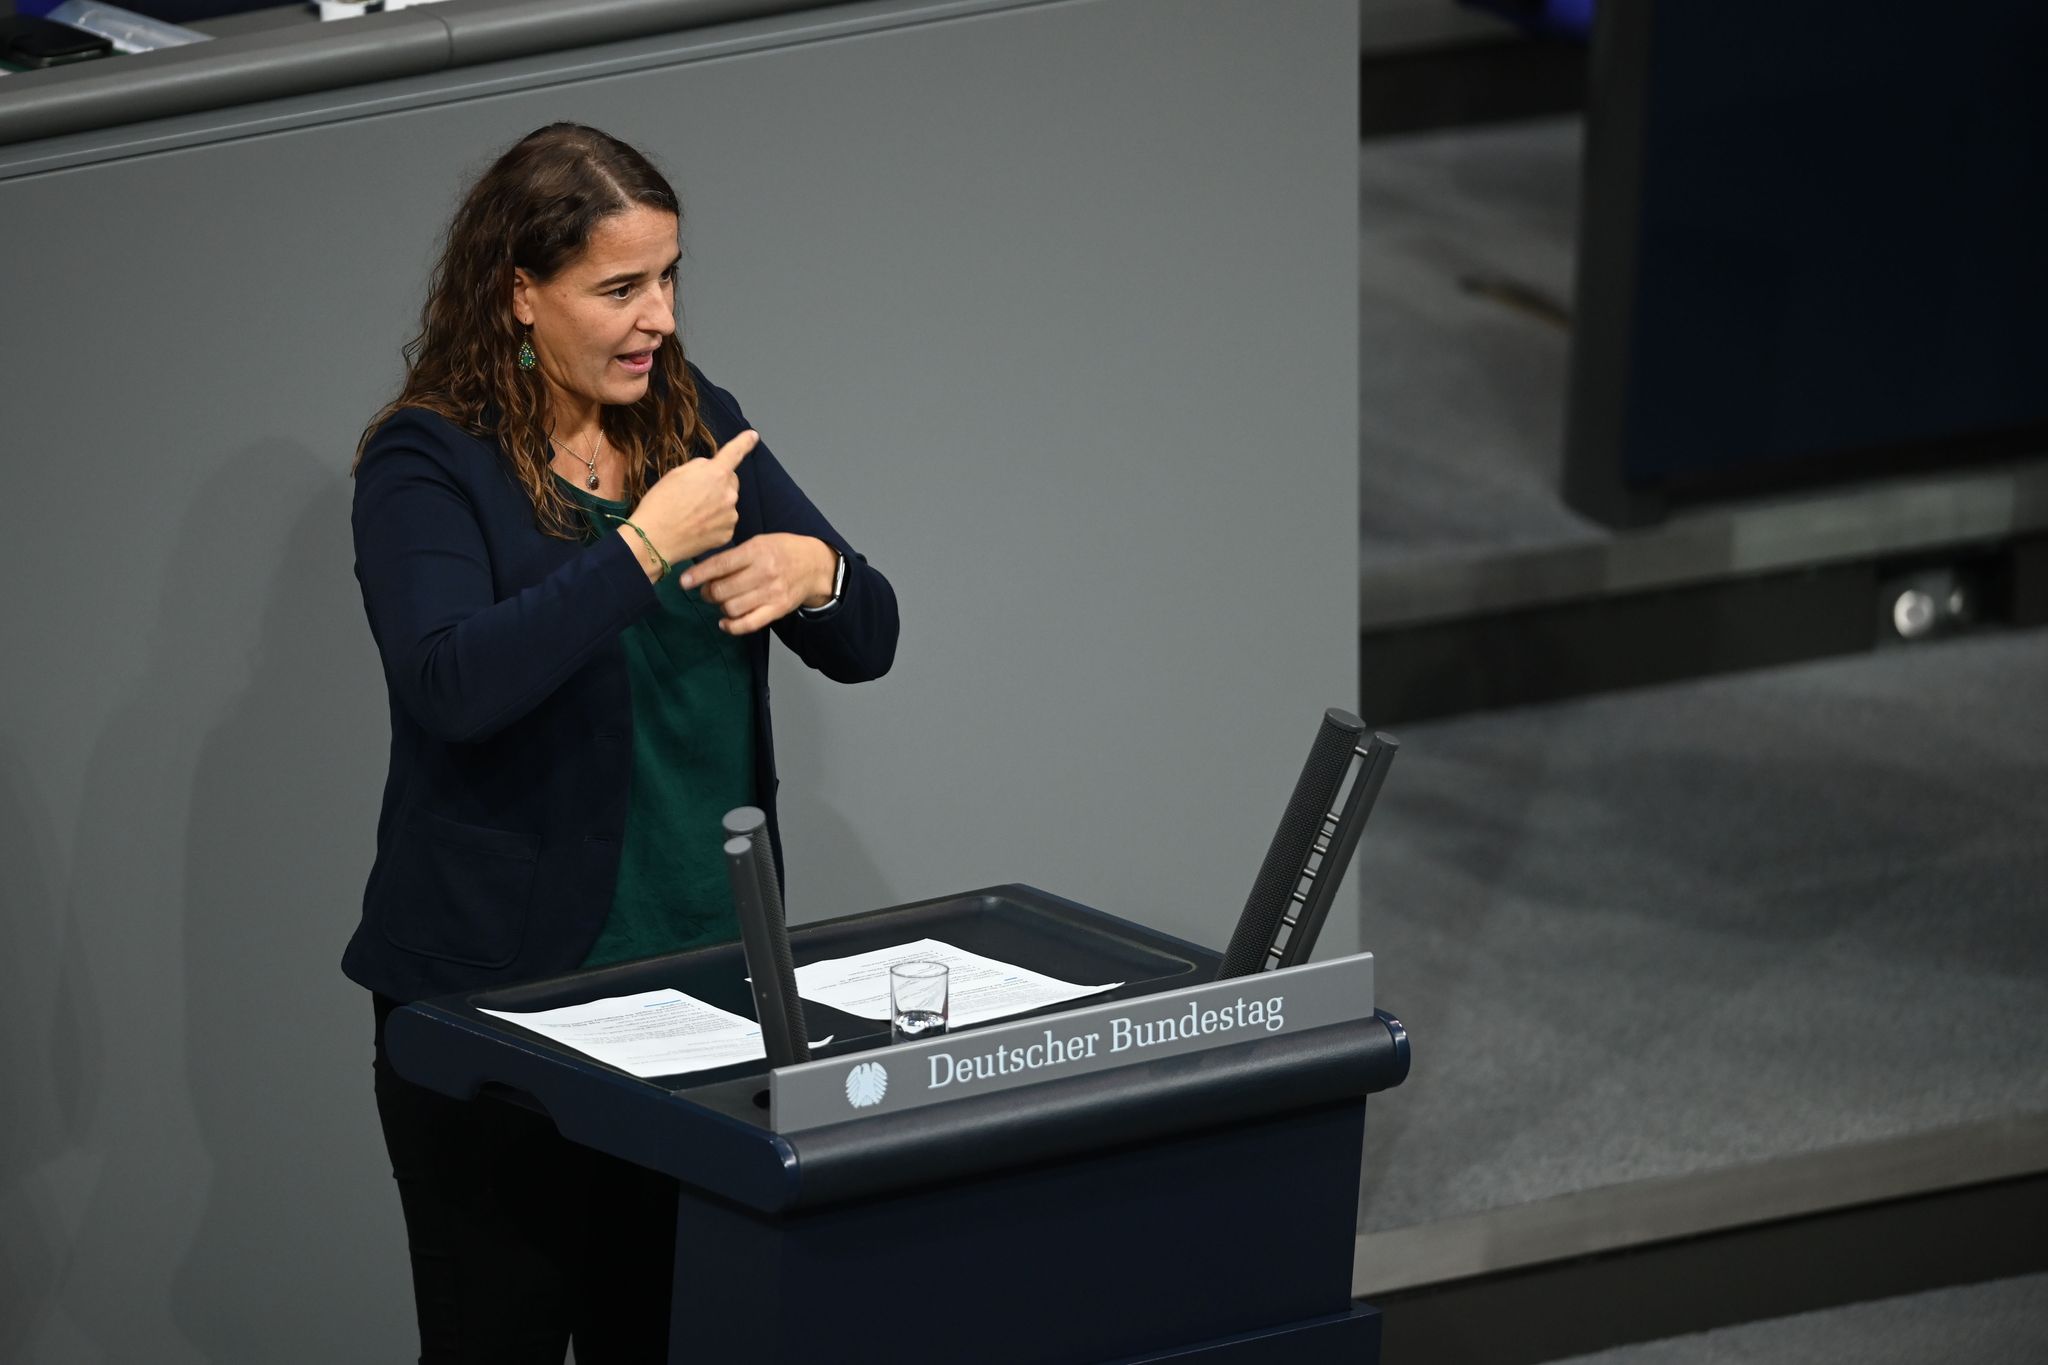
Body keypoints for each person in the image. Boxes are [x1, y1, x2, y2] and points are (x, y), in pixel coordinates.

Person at [342, 123, 899, 1363]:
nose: (656, 317)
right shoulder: (429, 460)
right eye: (618, 288)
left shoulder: (699, 423)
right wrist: (645, 547)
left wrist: (819, 571)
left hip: (703, 993)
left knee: (672, 1337)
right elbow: (451, 683)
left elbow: (867, 639)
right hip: (498, 998)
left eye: (669, 277)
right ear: (519, 293)